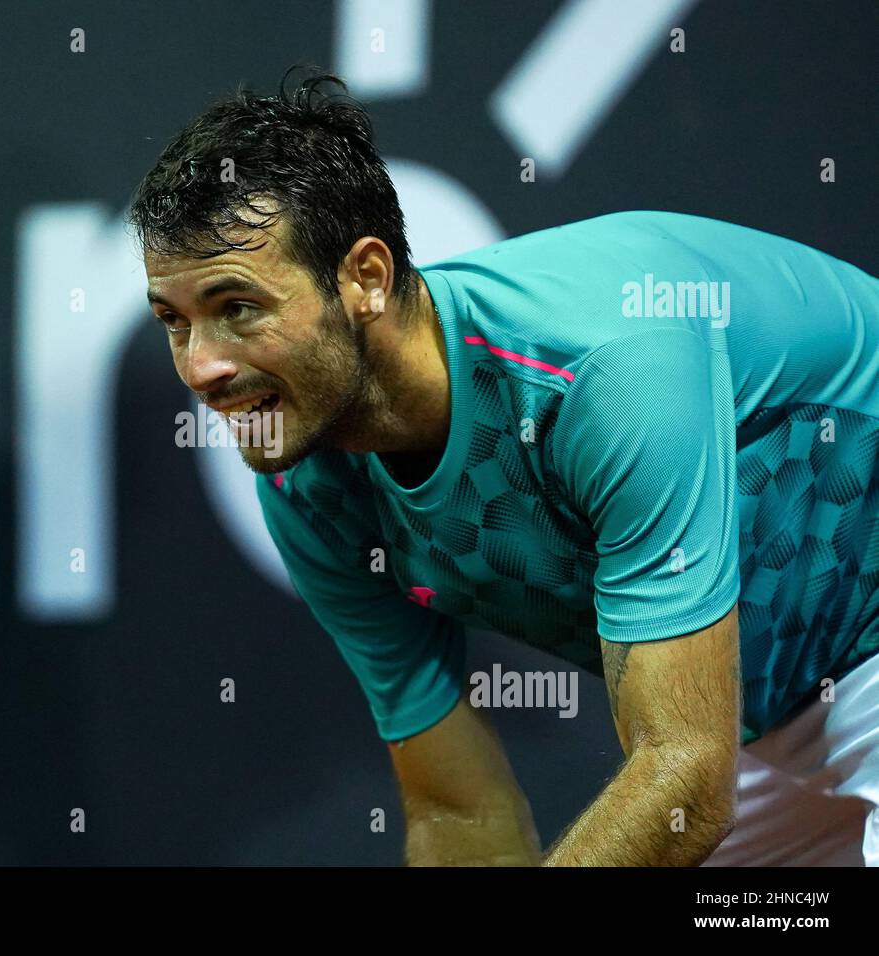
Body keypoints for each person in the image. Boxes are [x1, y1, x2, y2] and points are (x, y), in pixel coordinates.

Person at [128, 70, 879, 865]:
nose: (201, 366)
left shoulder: (603, 368)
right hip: (765, 729)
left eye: (237, 308)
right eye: (174, 322)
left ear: (367, 280)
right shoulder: (304, 486)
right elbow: (462, 818)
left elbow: (684, 778)